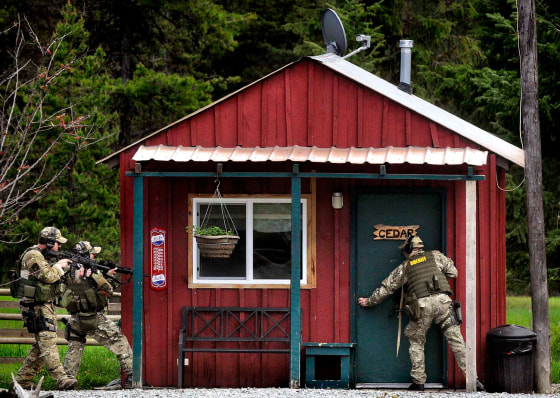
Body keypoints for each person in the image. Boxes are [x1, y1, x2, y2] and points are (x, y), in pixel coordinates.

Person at [357, 234, 484, 391]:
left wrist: (369, 301)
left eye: (404, 251)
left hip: (422, 306)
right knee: (457, 341)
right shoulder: (436, 256)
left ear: (409, 249)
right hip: (444, 303)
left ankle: (419, 382)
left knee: (416, 342)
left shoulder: (405, 267)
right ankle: (473, 380)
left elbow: (387, 289)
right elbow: (453, 273)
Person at [61, 241, 133, 389]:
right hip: (95, 317)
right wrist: (104, 276)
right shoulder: (93, 272)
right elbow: (108, 289)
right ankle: (133, 374)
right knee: (118, 340)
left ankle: (67, 380)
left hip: (76, 318)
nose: (94, 256)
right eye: (92, 254)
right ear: (86, 255)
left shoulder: (68, 270)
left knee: (75, 347)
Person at [13, 227, 78, 391]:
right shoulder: (33, 255)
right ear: (49, 243)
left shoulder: (42, 256)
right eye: (57, 243)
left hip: (42, 305)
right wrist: (60, 266)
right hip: (34, 307)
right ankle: (61, 379)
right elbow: (48, 276)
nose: (59, 247)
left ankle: (22, 381)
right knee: (47, 341)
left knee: (41, 345)